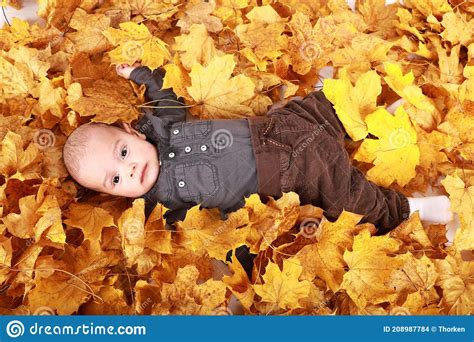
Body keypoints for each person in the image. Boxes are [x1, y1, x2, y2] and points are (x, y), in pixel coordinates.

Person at [62, 63, 454, 278]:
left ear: (131, 131)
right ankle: (416, 210)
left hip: (281, 125)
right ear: (113, 195)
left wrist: (140, 76)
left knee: (326, 104)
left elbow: (166, 96)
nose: (129, 169)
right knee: (352, 200)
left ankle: (382, 113)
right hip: (294, 170)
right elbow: (220, 230)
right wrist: (248, 263)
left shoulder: (160, 126)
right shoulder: (167, 205)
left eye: (123, 151)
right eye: (115, 179)